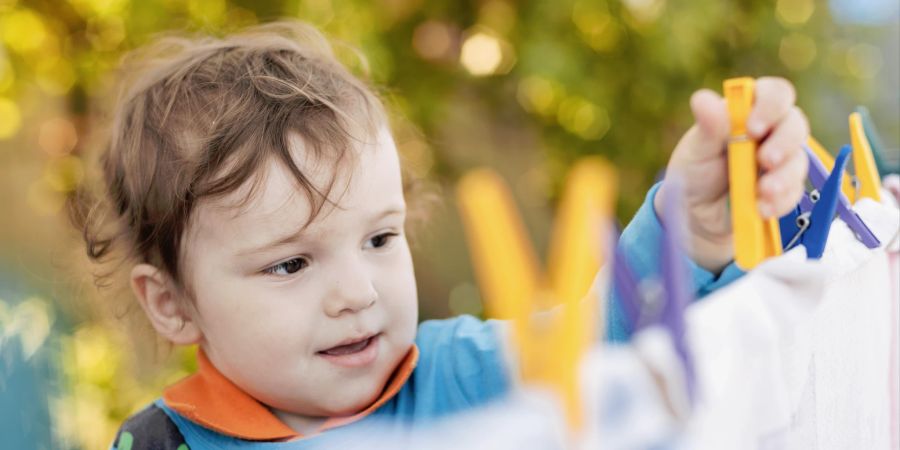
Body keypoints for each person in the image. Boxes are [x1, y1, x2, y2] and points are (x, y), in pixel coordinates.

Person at [75, 20, 809, 449]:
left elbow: (608, 337)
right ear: (171, 303)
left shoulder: (463, 375)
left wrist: (694, 222)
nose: (358, 294)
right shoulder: (161, 446)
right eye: (291, 263)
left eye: (379, 240)